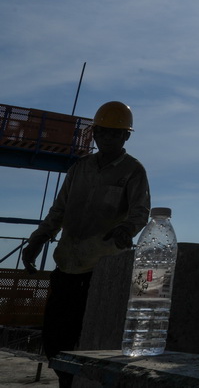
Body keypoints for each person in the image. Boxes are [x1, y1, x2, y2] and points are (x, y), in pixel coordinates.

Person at [22, 101, 151, 386]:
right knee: (55, 338)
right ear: (94, 133)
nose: (105, 138)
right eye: (101, 132)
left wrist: (126, 228)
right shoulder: (79, 168)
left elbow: (140, 212)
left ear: (126, 136)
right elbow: (59, 210)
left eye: (113, 133)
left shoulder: (133, 171)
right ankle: (66, 381)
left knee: (90, 339)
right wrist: (38, 239)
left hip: (101, 271)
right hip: (67, 264)